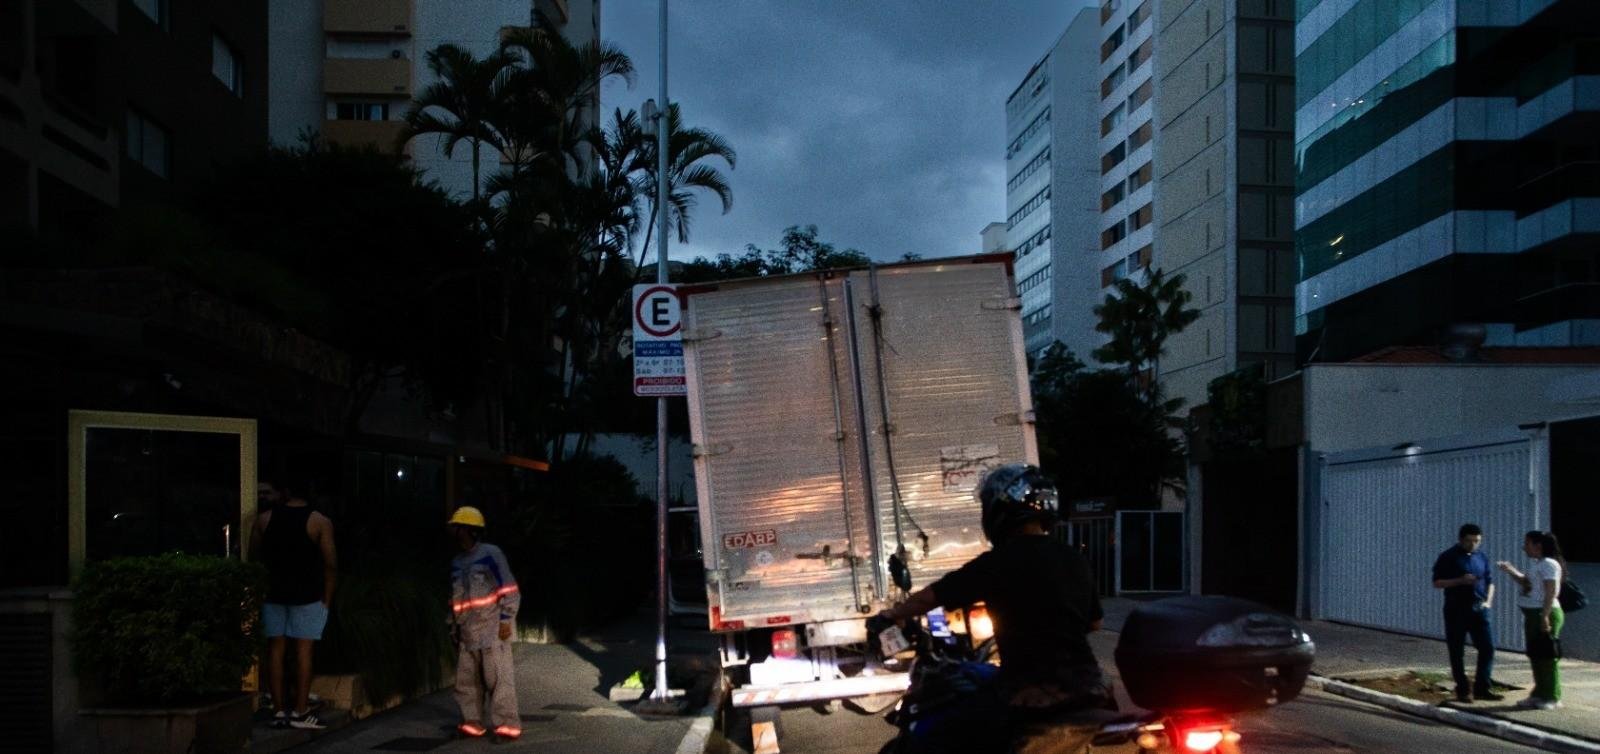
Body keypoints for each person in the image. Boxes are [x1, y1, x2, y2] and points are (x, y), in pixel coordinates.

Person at [876, 464, 1107, 752]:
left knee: (940, 729)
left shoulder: (1000, 562)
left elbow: (931, 597)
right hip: (1089, 689)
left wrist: (891, 614)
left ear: (1000, 510)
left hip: (1030, 694)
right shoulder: (1073, 558)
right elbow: (1095, 623)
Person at [249, 477, 337, 730]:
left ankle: (278, 710)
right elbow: (331, 564)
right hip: (307, 595)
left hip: (272, 594)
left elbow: (254, 558)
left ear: (285, 492)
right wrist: (327, 597)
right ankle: (300, 710)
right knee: (303, 652)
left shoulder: (264, 519)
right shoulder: (319, 521)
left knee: (275, 650)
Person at [448, 506, 522, 742]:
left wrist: (505, 620)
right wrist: (454, 626)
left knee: (499, 679)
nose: (455, 532)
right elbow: (457, 599)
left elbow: (510, 590)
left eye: (458, 528)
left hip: (492, 629)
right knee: (467, 681)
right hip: (468, 632)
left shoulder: (491, 554)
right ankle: (471, 723)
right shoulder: (457, 562)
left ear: (470, 530)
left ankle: (507, 726)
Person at [1431, 523, 1500, 702]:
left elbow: (1490, 581)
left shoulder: (1481, 557)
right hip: (1456, 607)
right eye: (1469, 541)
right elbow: (1437, 582)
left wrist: (1488, 602)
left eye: (1477, 541)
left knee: (1487, 647)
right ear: (1461, 539)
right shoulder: (1448, 557)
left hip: (1479, 607)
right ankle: (1462, 688)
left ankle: (1482, 687)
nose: (1473, 545)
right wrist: (1460, 581)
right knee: (1457, 649)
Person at [1498, 531, 1567, 710]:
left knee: (1547, 657)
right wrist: (1510, 570)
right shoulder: (1538, 564)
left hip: (1545, 613)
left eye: (1527, 544)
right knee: (1536, 655)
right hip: (1533, 613)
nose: (1524, 547)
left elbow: (1550, 590)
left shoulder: (1549, 564)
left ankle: (1552, 696)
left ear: (1539, 545)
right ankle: (1539, 693)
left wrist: (1544, 616)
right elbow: (1527, 583)